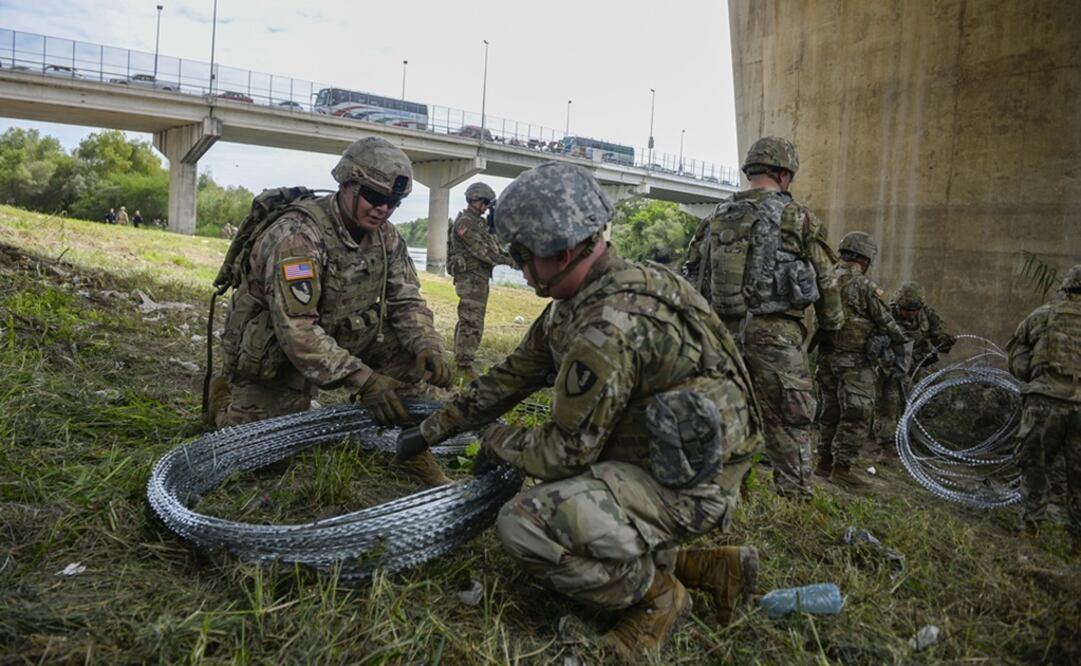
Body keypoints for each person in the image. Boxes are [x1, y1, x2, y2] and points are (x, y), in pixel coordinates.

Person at [398, 163, 763, 659]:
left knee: (527, 521)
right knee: (566, 496)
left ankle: (657, 599)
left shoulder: (607, 326)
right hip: (672, 455)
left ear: (563, 252)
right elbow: (515, 374)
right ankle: (708, 568)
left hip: (692, 481)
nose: (521, 272)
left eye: (524, 258)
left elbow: (563, 452)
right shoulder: (594, 290)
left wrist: (498, 441)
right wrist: (436, 426)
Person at [209, 137, 453, 486]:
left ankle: (412, 450)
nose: (383, 209)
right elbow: (296, 329)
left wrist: (427, 345)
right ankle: (223, 401)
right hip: (277, 352)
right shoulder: (297, 237)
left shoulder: (387, 238)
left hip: (342, 334)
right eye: (374, 196)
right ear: (347, 184)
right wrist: (366, 381)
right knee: (260, 460)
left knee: (408, 353)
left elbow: (406, 301)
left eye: (393, 202)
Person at [683, 136, 844, 500]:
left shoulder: (714, 217)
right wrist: (832, 329)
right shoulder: (796, 217)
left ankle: (725, 498)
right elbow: (827, 282)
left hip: (721, 334)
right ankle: (794, 503)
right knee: (789, 420)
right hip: (776, 333)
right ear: (784, 174)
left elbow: (691, 275)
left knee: (726, 416)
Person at [815, 231, 909, 490]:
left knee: (829, 410)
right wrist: (899, 340)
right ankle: (842, 468)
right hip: (854, 362)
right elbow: (888, 323)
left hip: (826, 357)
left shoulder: (825, 277)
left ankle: (823, 461)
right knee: (857, 413)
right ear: (865, 258)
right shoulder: (863, 285)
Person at [1007, 264, 1081, 553]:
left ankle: (1030, 527)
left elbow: (1016, 352)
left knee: (1035, 465)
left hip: (1046, 402)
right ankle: (1077, 539)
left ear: (1066, 288)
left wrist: (1034, 377)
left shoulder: (1044, 314)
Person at [873, 281, 956, 454]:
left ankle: (909, 438)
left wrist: (943, 341)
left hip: (918, 365)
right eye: (906, 310)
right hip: (892, 366)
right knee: (889, 402)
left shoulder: (927, 315)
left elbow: (939, 334)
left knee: (915, 403)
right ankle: (886, 444)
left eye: (914, 310)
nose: (910, 314)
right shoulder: (886, 316)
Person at [447, 181, 514, 377]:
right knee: (471, 320)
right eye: (484, 202)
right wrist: (508, 261)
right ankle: (464, 364)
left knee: (472, 318)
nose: (486, 206)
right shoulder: (465, 223)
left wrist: (511, 256)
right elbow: (482, 252)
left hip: (478, 278)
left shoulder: (479, 223)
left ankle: (463, 357)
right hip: (470, 279)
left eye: (488, 203)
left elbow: (494, 248)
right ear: (473, 200)